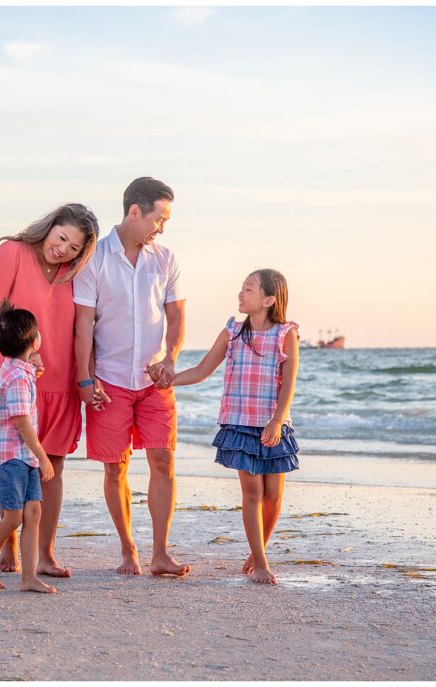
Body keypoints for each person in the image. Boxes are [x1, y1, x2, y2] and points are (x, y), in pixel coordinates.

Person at [0, 203, 99, 578]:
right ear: (49, 227)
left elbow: (83, 327)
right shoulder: (13, 253)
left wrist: (87, 376)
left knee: (53, 466)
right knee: (10, 461)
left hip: (57, 380)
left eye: (74, 247)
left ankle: (45, 553)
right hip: (11, 370)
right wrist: (18, 355)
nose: (63, 250)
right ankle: (9, 537)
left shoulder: (75, 275)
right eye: (61, 238)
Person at [73, 177, 190, 577]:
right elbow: (83, 324)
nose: (162, 227)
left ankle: (161, 553)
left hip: (156, 380)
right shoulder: (95, 259)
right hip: (109, 379)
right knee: (115, 467)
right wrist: (86, 380)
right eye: (160, 218)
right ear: (135, 212)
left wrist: (171, 360)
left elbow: (175, 316)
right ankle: (128, 550)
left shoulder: (166, 258)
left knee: (163, 460)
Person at [170, 269, 300, 585]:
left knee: (274, 495)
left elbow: (288, 384)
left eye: (249, 290)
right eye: (242, 288)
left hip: (272, 424)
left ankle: (258, 552)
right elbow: (202, 370)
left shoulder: (285, 334)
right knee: (253, 492)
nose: (241, 295)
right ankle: (261, 563)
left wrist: (277, 420)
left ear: (269, 299)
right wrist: (169, 379)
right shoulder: (232, 332)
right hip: (240, 424)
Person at [0, 303, 57, 594]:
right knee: (14, 515)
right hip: (8, 457)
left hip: (22, 457)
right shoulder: (17, 377)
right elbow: (22, 422)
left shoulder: (17, 370)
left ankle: (29, 577)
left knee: (32, 512)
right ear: (35, 341)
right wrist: (43, 456)